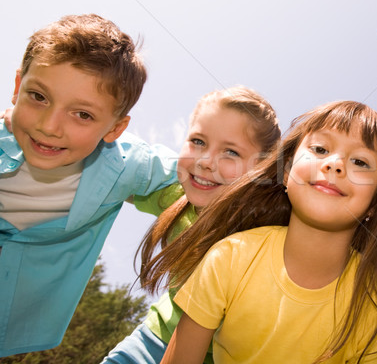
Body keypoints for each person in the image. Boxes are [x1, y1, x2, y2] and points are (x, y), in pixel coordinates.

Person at [141, 100, 377, 363]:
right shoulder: (230, 257)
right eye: (319, 149)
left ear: (375, 203)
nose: (335, 164)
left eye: (361, 163)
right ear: (286, 172)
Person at [0, 14, 178, 357]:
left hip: (16, 317)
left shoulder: (124, 165)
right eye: (38, 96)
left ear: (114, 129)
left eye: (82, 114)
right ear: (17, 86)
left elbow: (197, 174)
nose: (50, 126)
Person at [101, 86, 281, 364]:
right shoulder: (176, 197)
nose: (206, 162)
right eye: (198, 142)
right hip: (153, 340)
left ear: (262, 168)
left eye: (230, 152)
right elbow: (112, 168)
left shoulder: (270, 231)